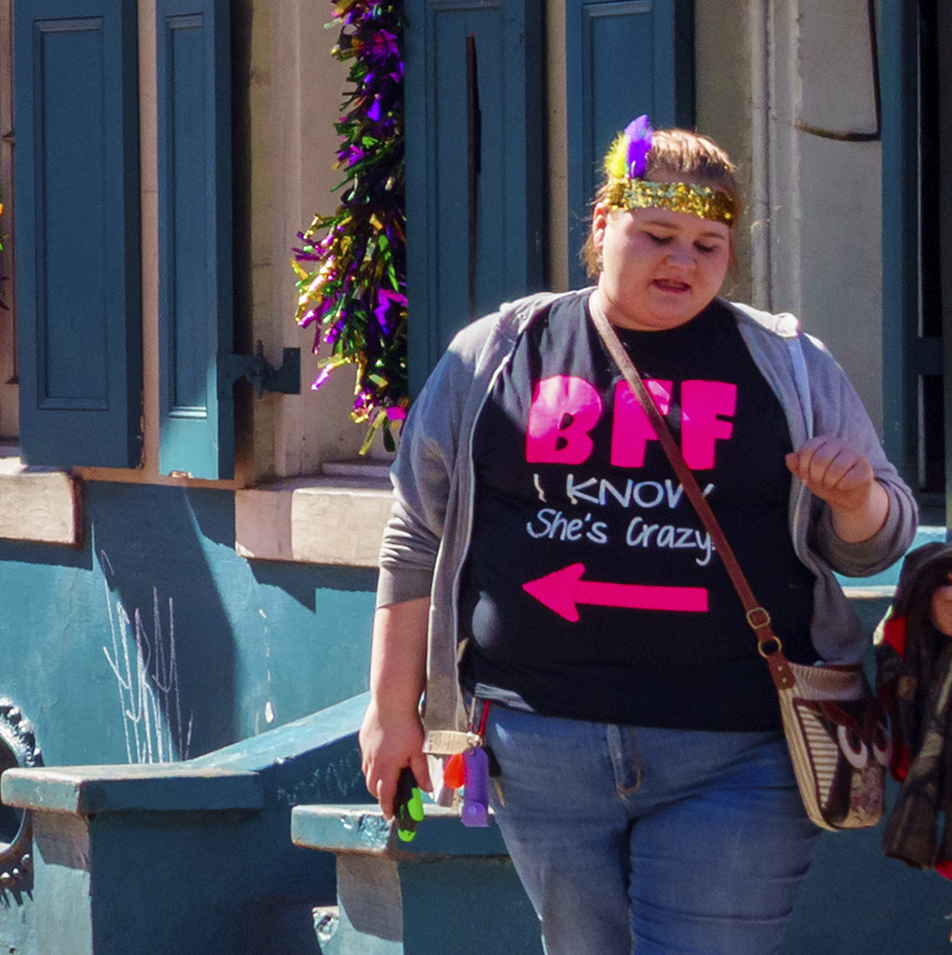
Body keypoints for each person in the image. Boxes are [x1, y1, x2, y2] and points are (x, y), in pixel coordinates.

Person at [368, 120, 919, 952]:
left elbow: (878, 542)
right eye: (658, 236)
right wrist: (388, 710)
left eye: (709, 244)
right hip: (539, 745)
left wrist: (856, 503)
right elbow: (416, 535)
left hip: (741, 750)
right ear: (601, 225)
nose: (684, 262)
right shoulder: (497, 353)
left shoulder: (788, 363)